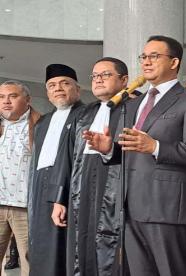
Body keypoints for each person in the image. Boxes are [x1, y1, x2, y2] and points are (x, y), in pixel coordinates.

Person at [83, 35, 186, 276]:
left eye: (154, 56)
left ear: (174, 62)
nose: (146, 62)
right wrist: (109, 149)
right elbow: (132, 152)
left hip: (168, 208)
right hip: (131, 207)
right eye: (144, 57)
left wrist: (156, 147)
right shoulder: (134, 104)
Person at [51, 57, 129, 276]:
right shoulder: (84, 113)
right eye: (95, 76)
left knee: (110, 253)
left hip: (114, 186)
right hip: (81, 186)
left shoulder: (132, 108)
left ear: (124, 80)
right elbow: (66, 157)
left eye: (105, 75)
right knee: (81, 247)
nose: (98, 80)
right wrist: (60, 198)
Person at [28, 64, 84, 276]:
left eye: (64, 83)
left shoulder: (85, 115)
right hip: (41, 188)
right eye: (52, 85)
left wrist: (61, 196)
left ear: (77, 90)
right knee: (40, 248)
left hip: (68, 190)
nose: (58, 88)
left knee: (63, 250)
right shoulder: (43, 122)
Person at [0, 80, 40, 276]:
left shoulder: (40, 125)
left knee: (29, 260)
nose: (6, 101)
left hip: (25, 205)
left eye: (13, 96)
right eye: (1, 97)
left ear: (27, 100)